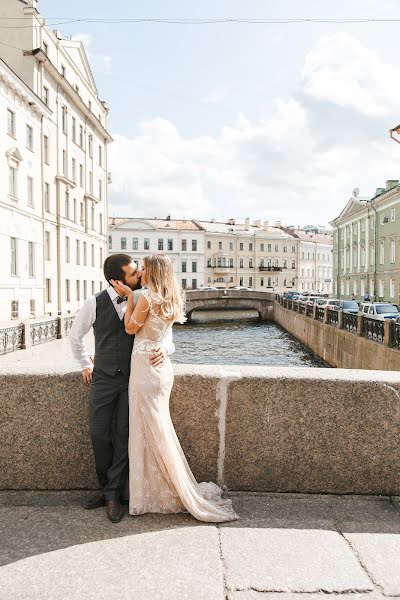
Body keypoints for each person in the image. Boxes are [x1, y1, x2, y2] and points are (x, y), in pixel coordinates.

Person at [111, 253, 238, 523]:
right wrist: (165, 348)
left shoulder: (145, 297)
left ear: (153, 272)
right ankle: (156, 489)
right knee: (158, 428)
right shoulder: (169, 298)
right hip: (161, 371)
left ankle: (154, 492)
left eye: (144, 269)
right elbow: (167, 338)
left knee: (147, 429)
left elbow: (130, 329)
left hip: (145, 369)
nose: (141, 273)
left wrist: (129, 298)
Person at [69, 254, 175, 523]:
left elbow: (166, 334)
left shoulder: (144, 297)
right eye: (133, 274)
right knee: (99, 433)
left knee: (124, 435)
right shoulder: (94, 302)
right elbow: (75, 336)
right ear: (116, 280)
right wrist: (84, 363)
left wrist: (164, 348)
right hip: (103, 378)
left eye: (139, 273)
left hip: (134, 378)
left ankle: (114, 494)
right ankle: (106, 488)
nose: (139, 277)